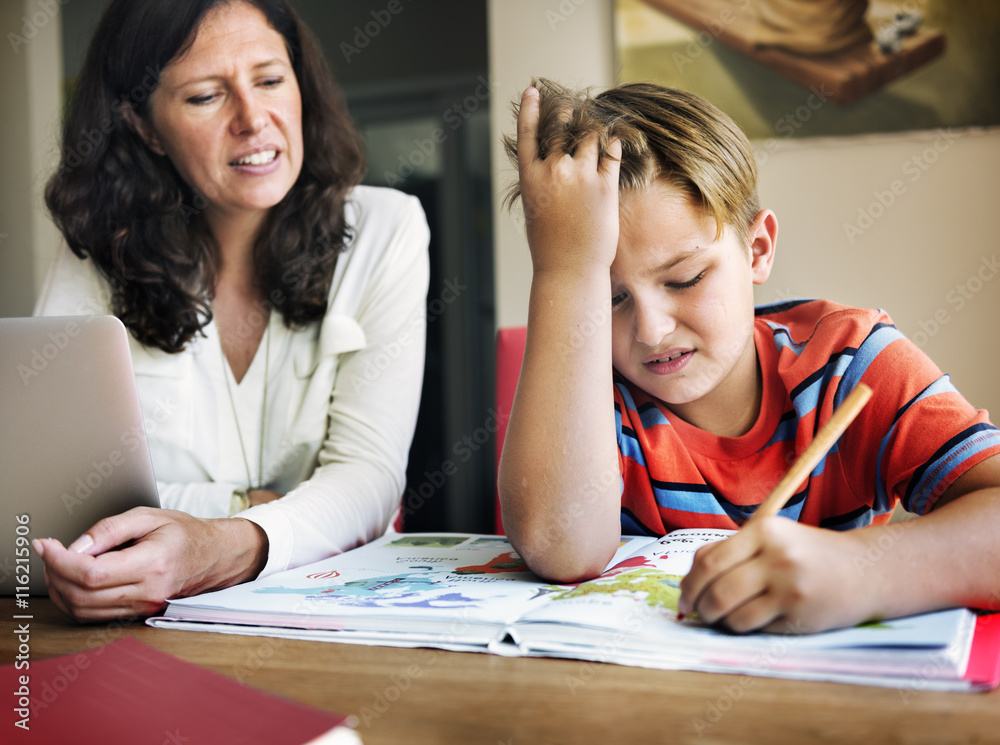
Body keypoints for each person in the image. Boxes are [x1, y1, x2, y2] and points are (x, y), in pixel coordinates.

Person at [498, 79, 1000, 634]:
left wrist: (861, 572)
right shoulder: (593, 396)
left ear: (757, 250)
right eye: (608, 297)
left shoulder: (850, 362)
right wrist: (565, 271)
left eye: (685, 279)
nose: (650, 330)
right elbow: (558, 546)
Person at [32, 0, 429, 622]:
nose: (253, 119)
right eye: (204, 97)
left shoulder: (387, 229)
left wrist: (215, 544)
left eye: (271, 81)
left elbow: (370, 479)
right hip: (145, 627)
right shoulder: (94, 249)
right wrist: (254, 501)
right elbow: (61, 488)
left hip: (329, 616)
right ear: (143, 125)